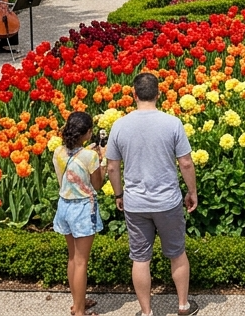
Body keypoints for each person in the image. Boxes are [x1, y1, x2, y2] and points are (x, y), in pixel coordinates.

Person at [106, 73, 199, 316]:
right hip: (167, 201)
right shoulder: (172, 123)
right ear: (159, 94)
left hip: (136, 203)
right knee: (177, 253)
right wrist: (192, 192)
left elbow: (112, 167)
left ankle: (146, 312)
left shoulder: (120, 125)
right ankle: (183, 305)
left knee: (140, 258)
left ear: (133, 94)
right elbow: (186, 163)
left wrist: (118, 194)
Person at [54, 111, 105, 316]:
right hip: (83, 208)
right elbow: (97, 185)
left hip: (64, 205)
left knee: (73, 258)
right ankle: (80, 311)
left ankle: (78, 302)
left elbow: (65, 175)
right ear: (88, 133)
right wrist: (101, 161)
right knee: (82, 261)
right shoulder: (90, 156)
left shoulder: (58, 151)